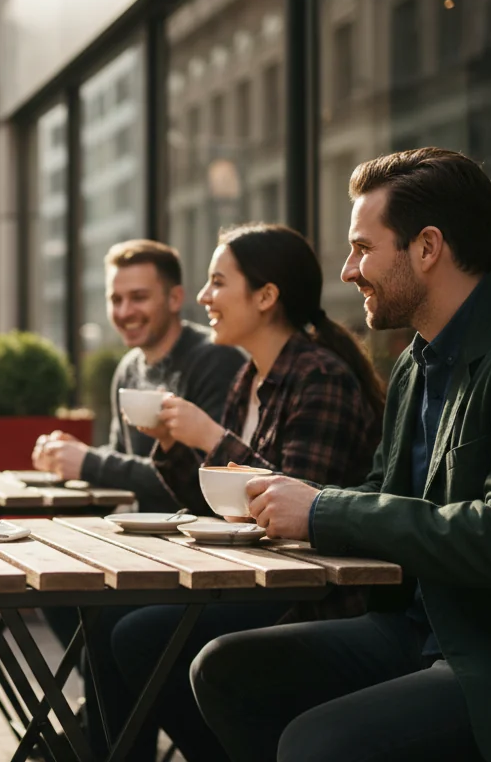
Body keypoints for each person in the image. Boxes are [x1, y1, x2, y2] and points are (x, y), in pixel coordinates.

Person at [191, 149, 491, 762]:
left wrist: (321, 510)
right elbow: (379, 495)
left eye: (362, 248)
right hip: (415, 628)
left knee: (315, 744)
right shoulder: (413, 361)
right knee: (223, 669)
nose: (348, 271)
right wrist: (280, 507)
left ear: (426, 248)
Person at [100, 224, 385, 761]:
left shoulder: (318, 377)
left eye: (216, 283)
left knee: (138, 636)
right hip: (251, 578)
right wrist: (176, 445)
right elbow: (220, 505)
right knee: (108, 618)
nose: (204, 297)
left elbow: (295, 507)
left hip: (311, 592)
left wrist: (209, 436)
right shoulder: (247, 377)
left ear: (266, 296)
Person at [32, 239, 244, 511]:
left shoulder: (216, 359)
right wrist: (71, 455)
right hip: (141, 535)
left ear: (175, 298)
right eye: (115, 300)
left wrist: (90, 463)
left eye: (139, 297)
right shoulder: (128, 368)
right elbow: (122, 461)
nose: (124, 312)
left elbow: (207, 483)